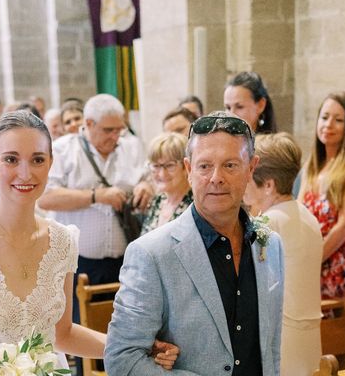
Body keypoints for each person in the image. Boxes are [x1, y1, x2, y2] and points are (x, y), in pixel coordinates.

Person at [0, 111, 178, 376]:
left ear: (50, 163)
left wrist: (134, 348)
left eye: (37, 160)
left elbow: (62, 334)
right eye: (11, 159)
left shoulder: (62, 241)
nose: (25, 173)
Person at [105, 111, 284, 375]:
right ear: (189, 170)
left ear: (251, 168)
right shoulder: (152, 254)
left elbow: (270, 349)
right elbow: (122, 359)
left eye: (230, 165)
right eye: (204, 166)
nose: (216, 177)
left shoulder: (271, 245)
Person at [38, 94, 153, 375]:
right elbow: (47, 198)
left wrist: (146, 186)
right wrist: (96, 196)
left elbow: (149, 175)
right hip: (80, 265)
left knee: (127, 340)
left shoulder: (131, 146)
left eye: (119, 129)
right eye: (108, 130)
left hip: (126, 262)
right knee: (83, 339)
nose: (115, 136)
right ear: (88, 124)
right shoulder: (63, 150)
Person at [243, 132, 323, 376]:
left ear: (268, 185)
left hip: (283, 337)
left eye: (247, 176)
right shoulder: (307, 214)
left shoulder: (267, 222)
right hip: (308, 333)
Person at [298, 92, 345, 298]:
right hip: (306, 260)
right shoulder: (312, 165)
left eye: (338, 120)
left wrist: (312, 261)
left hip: (335, 265)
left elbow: (344, 226)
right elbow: (298, 212)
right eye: (324, 117)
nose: (328, 125)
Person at [140, 132, 193, 236]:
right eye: (156, 166)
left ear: (185, 167)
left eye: (169, 166)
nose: (162, 173)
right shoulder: (157, 201)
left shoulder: (195, 205)